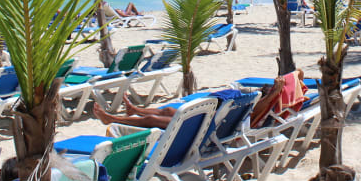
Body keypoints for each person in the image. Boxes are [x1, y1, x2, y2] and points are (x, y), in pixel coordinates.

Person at [92, 70, 307, 131]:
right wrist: (282, 87)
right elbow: (299, 74)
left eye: (264, 90)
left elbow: (260, 105)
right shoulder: (252, 102)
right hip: (215, 121)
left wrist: (271, 94)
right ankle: (136, 110)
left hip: (210, 130)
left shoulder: (256, 105)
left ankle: (112, 119)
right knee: (167, 111)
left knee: (155, 122)